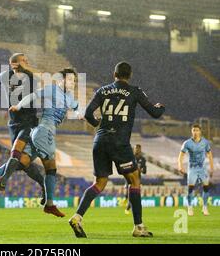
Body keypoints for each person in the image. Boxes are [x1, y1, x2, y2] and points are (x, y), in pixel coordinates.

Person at [69, 62, 165, 238]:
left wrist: (98, 124)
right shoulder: (134, 91)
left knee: (99, 183)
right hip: (119, 142)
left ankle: (77, 217)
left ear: (114, 74)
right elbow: (155, 113)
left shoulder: (102, 91)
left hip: (100, 140)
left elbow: (88, 113)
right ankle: (138, 226)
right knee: (134, 180)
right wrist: (161, 107)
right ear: (130, 75)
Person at [6, 68, 82, 217]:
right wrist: (19, 105)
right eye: (71, 80)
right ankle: (49, 204)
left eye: (75, 80)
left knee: (22, 162)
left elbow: (76, 106)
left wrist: (79, 113)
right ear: (61, 80)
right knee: (51, 167)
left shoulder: (69, 95)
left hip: (44, 132)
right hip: (43, 131)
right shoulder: (51, 90)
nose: (74, 83)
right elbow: (33, 95)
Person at [0, 53, 46, 203]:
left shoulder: (7, 75)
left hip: (16, 124)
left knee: (21, 159)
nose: (27, 61)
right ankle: (1, 179)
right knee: (22, 160)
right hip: (28, 122)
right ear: (19, 63)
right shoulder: (29, 76)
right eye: (24, 60)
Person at [178, 124, 214, 216]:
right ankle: (190, 207)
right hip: (192, 168)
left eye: (197, 130)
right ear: (191, 131)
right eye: (193, 130)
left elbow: (209, 154)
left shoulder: (205, 142)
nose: (195, 132)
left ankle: (205, 207)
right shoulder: (187, 143)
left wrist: (211, 166)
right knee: (190, 188)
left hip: (203, 168)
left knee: (206, 187)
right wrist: (180, 166)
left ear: (200, 131)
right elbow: (181, 156)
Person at [124, 144, 147, 215]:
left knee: (135, 196)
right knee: (128, 195)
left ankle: (129, 207)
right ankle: (128, 204)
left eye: (139, 149)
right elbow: (126, 168)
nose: (137, 150)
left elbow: (145, 171)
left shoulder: (143, 159)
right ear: (134, 149)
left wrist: (141, 170)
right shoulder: (130, 158)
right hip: (129, 178)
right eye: (136, 148)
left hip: (137, 180)